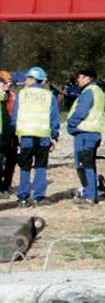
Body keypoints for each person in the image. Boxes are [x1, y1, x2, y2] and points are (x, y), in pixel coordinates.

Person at [13, 67, 59, 207]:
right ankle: (38, 197)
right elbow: (54, 118)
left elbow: (15, 116)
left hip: (26, 136)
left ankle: (23, 197)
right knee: (40, 166)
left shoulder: (22, 95)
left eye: (27, 78)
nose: (25, 81)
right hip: (43, 136)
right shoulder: (49, 96)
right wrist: (54, 136)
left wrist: (15, 132)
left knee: (25, 166)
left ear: (32, 79)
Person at [67, 68, 105, 204]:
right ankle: (91, 193)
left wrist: (71, 124)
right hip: (93, 133)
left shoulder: (89, 92)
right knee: (88, 164)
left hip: (84, 133)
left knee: (84, 165)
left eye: (80, 77)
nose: (78, 79)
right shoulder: (98, 91)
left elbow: (81, 111)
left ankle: (89, 195)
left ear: (88, 78)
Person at [0, 72, 14, 193]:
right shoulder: (3, 96)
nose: (8, 84)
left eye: (9, 81)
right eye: (6, 81)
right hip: (2, 133)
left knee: (11, 160)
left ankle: (6, 185)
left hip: (11, 132)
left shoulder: (11, 95)